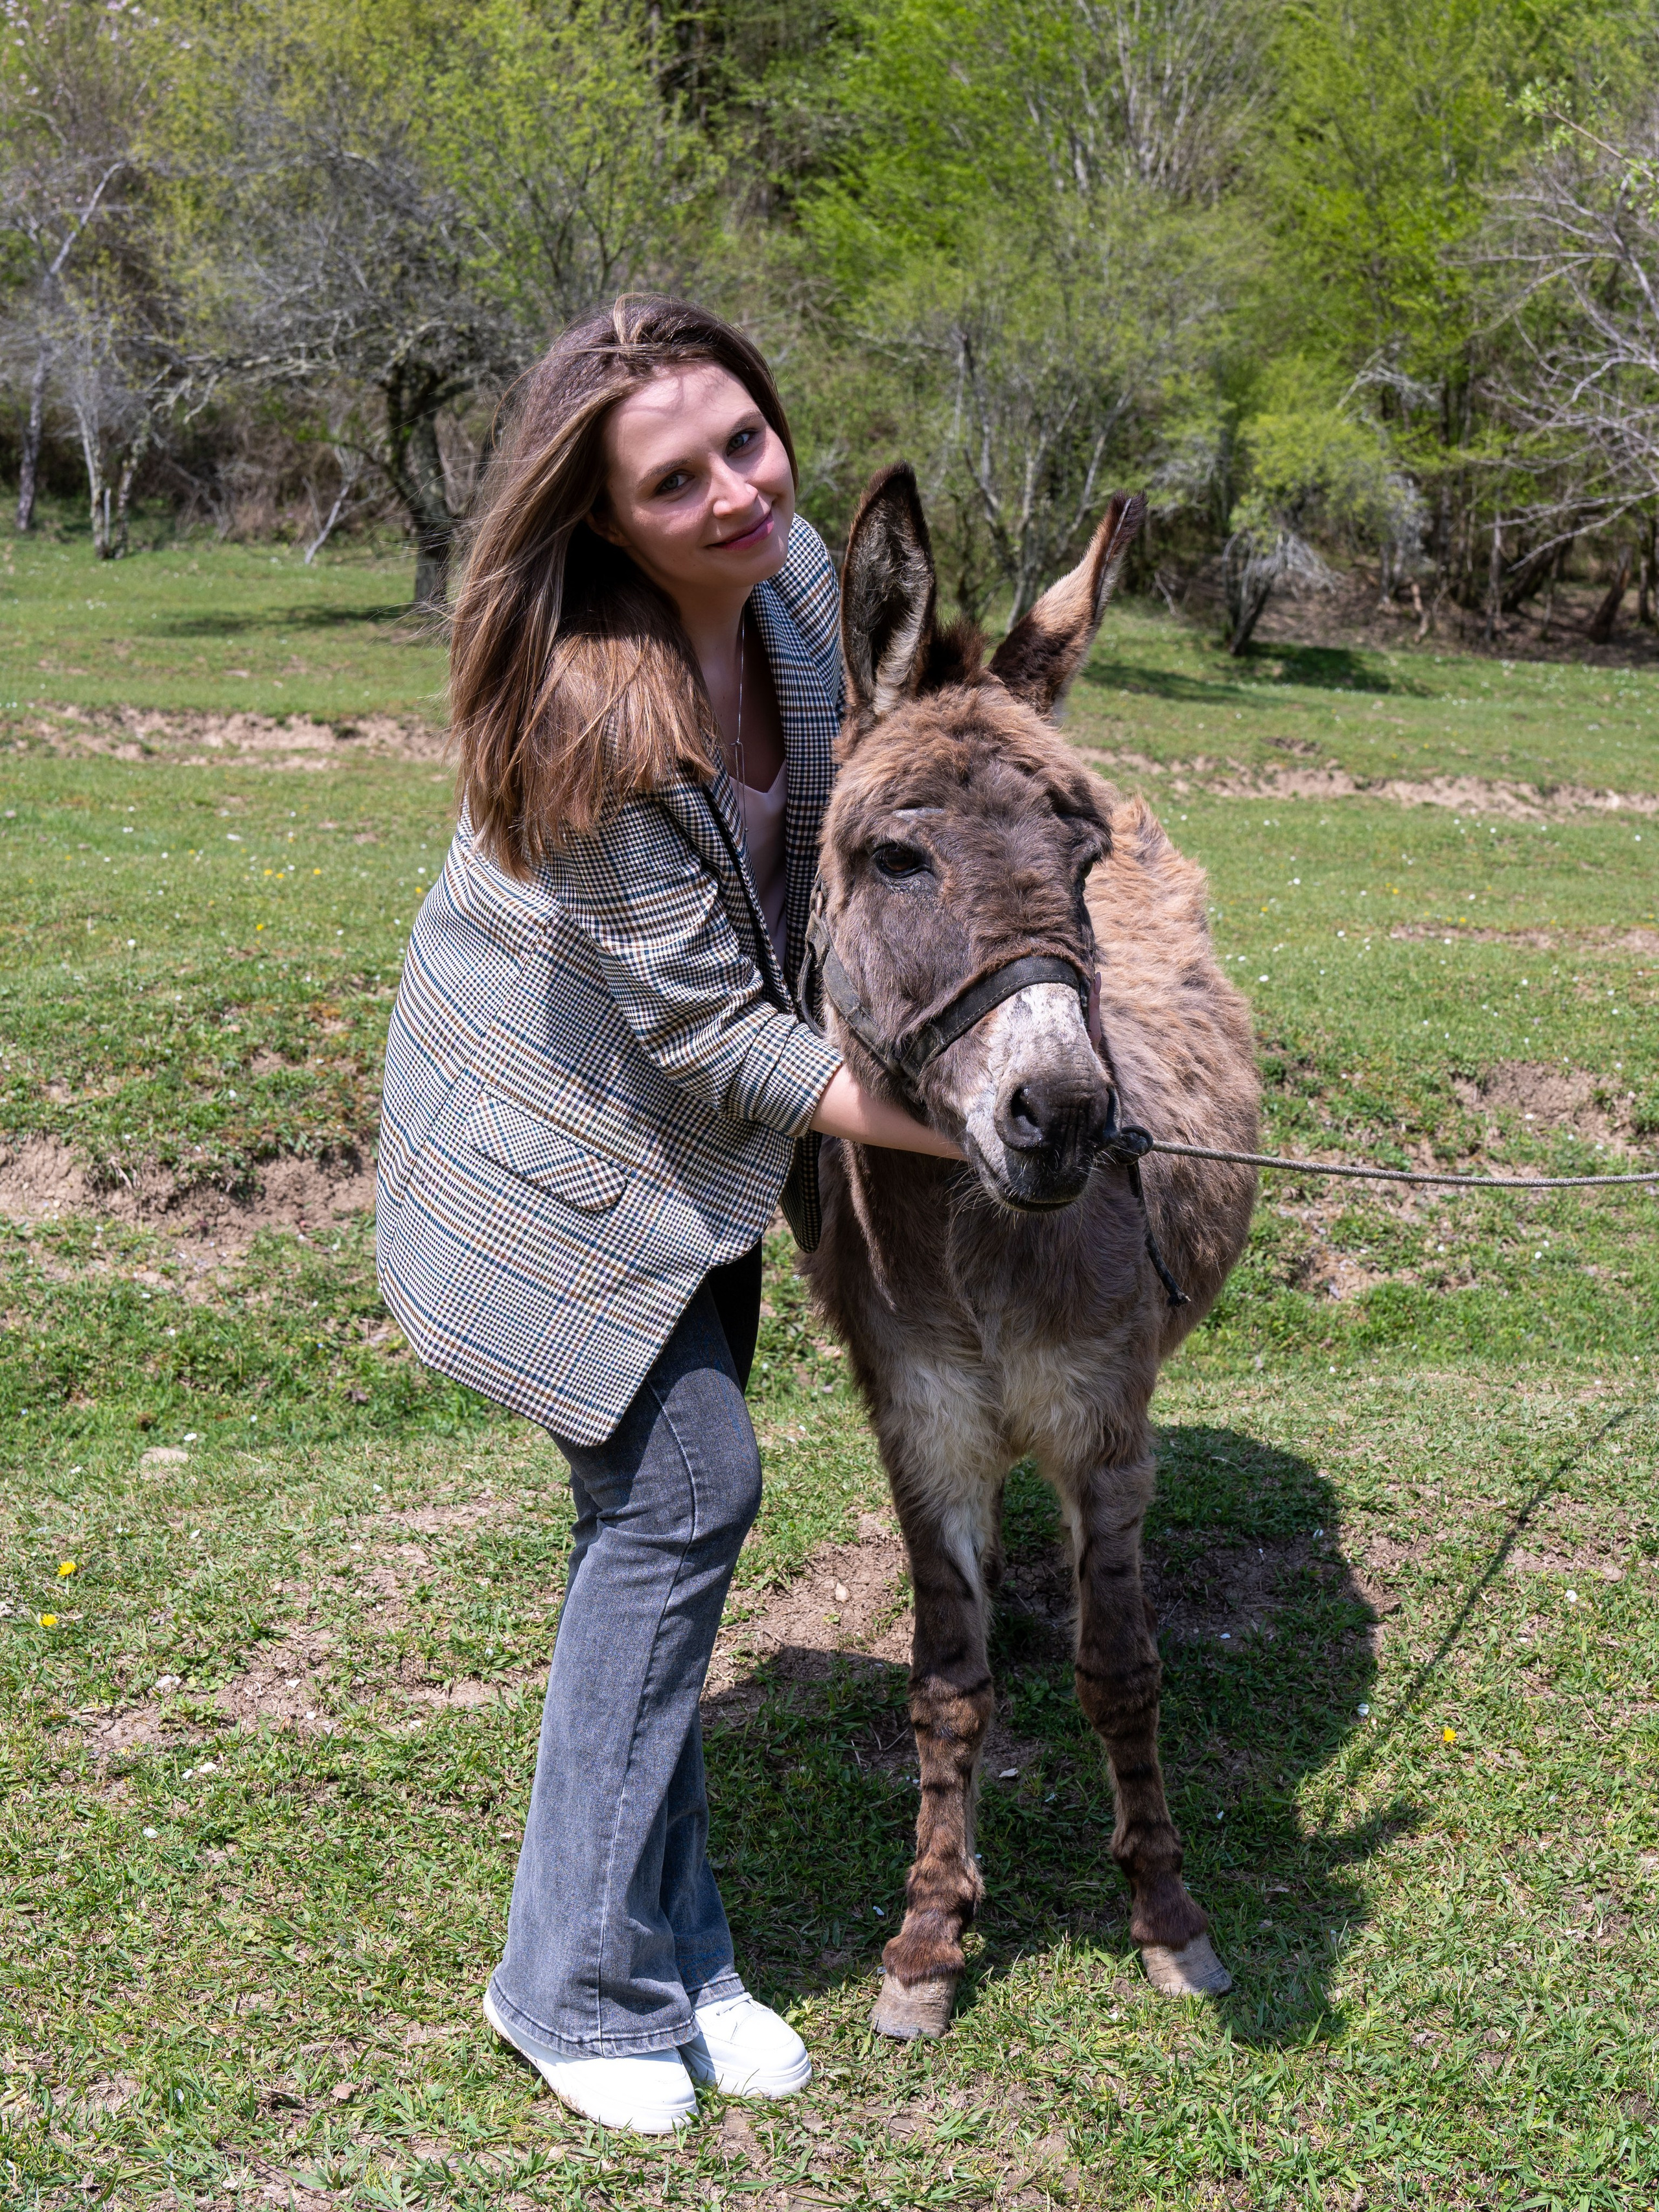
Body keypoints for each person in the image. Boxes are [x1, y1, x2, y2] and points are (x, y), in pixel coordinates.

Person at [375, 296, 959, 2136]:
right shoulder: (587, 712)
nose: (734, 491)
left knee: (649, 1534)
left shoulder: (791, 594)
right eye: (675, 477)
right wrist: (975, 1138)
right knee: (694, 1492)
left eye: (746, 443)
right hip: (545, 1163)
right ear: (603, 517)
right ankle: (569, 1979)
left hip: (687, 1169)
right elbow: (716, 1037)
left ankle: (676, 1945)